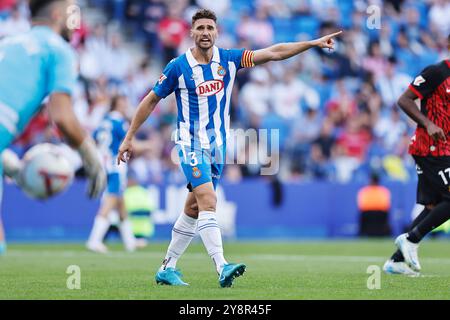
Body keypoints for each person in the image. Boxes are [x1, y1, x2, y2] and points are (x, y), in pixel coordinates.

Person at [117, 8, 342, 287]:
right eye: (200, 28)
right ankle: (222, 266)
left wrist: (311, 43)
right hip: (190, 145)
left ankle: (167, 266)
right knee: (210, 201)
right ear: (191, 32)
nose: (205, 33)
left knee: (194, 207)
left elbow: (273, 52)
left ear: (217, 32)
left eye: (210, 28)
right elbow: (150, 100)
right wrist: (129, 137)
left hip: (217, 148)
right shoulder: (178, 66)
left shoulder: (229, 59)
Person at [0, 0, 107, 254]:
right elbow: (62, 116)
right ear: (58, 15)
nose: (77, 22)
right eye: (73, 14)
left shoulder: (8, 44)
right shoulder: (58, 50)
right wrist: (91, 158)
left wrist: (10, 166)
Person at [383, 34, 450, 276]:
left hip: (445, 148)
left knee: (433, 205)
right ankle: (411, 240)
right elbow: (404, 100)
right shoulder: (436, 72)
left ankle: (397, 261)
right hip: (429, 147)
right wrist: (428, 123)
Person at [86, 95, 136, 253]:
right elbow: (129, 143)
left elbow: (92, 140)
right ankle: (94, 240)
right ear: (117, 105)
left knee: (120, 204)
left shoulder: (103, 121)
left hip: (103, 164)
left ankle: (130, 242)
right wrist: (149, 145)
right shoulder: (119, 122)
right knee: (110, 200)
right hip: (116, 165)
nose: (125, 106)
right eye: (123, 103)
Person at [357, 172, 391, 237]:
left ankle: (363, 233)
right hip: (379, 213)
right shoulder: (383, 190)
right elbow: (387, 205)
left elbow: (361, 204)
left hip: (370, 213)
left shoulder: (364, 190)